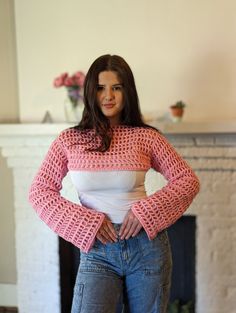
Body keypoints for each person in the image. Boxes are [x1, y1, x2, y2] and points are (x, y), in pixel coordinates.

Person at [29, 54, 200, 313]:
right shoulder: (69, 140)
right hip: (98, 250)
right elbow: (39, 192)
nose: (108, 96)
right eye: (100, 88)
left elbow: (187, 180)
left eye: (116, 87)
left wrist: (146, 212)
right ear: (90, 92)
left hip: (147, 247)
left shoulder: (146, 137)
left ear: (127, 91)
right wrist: (85, 221)